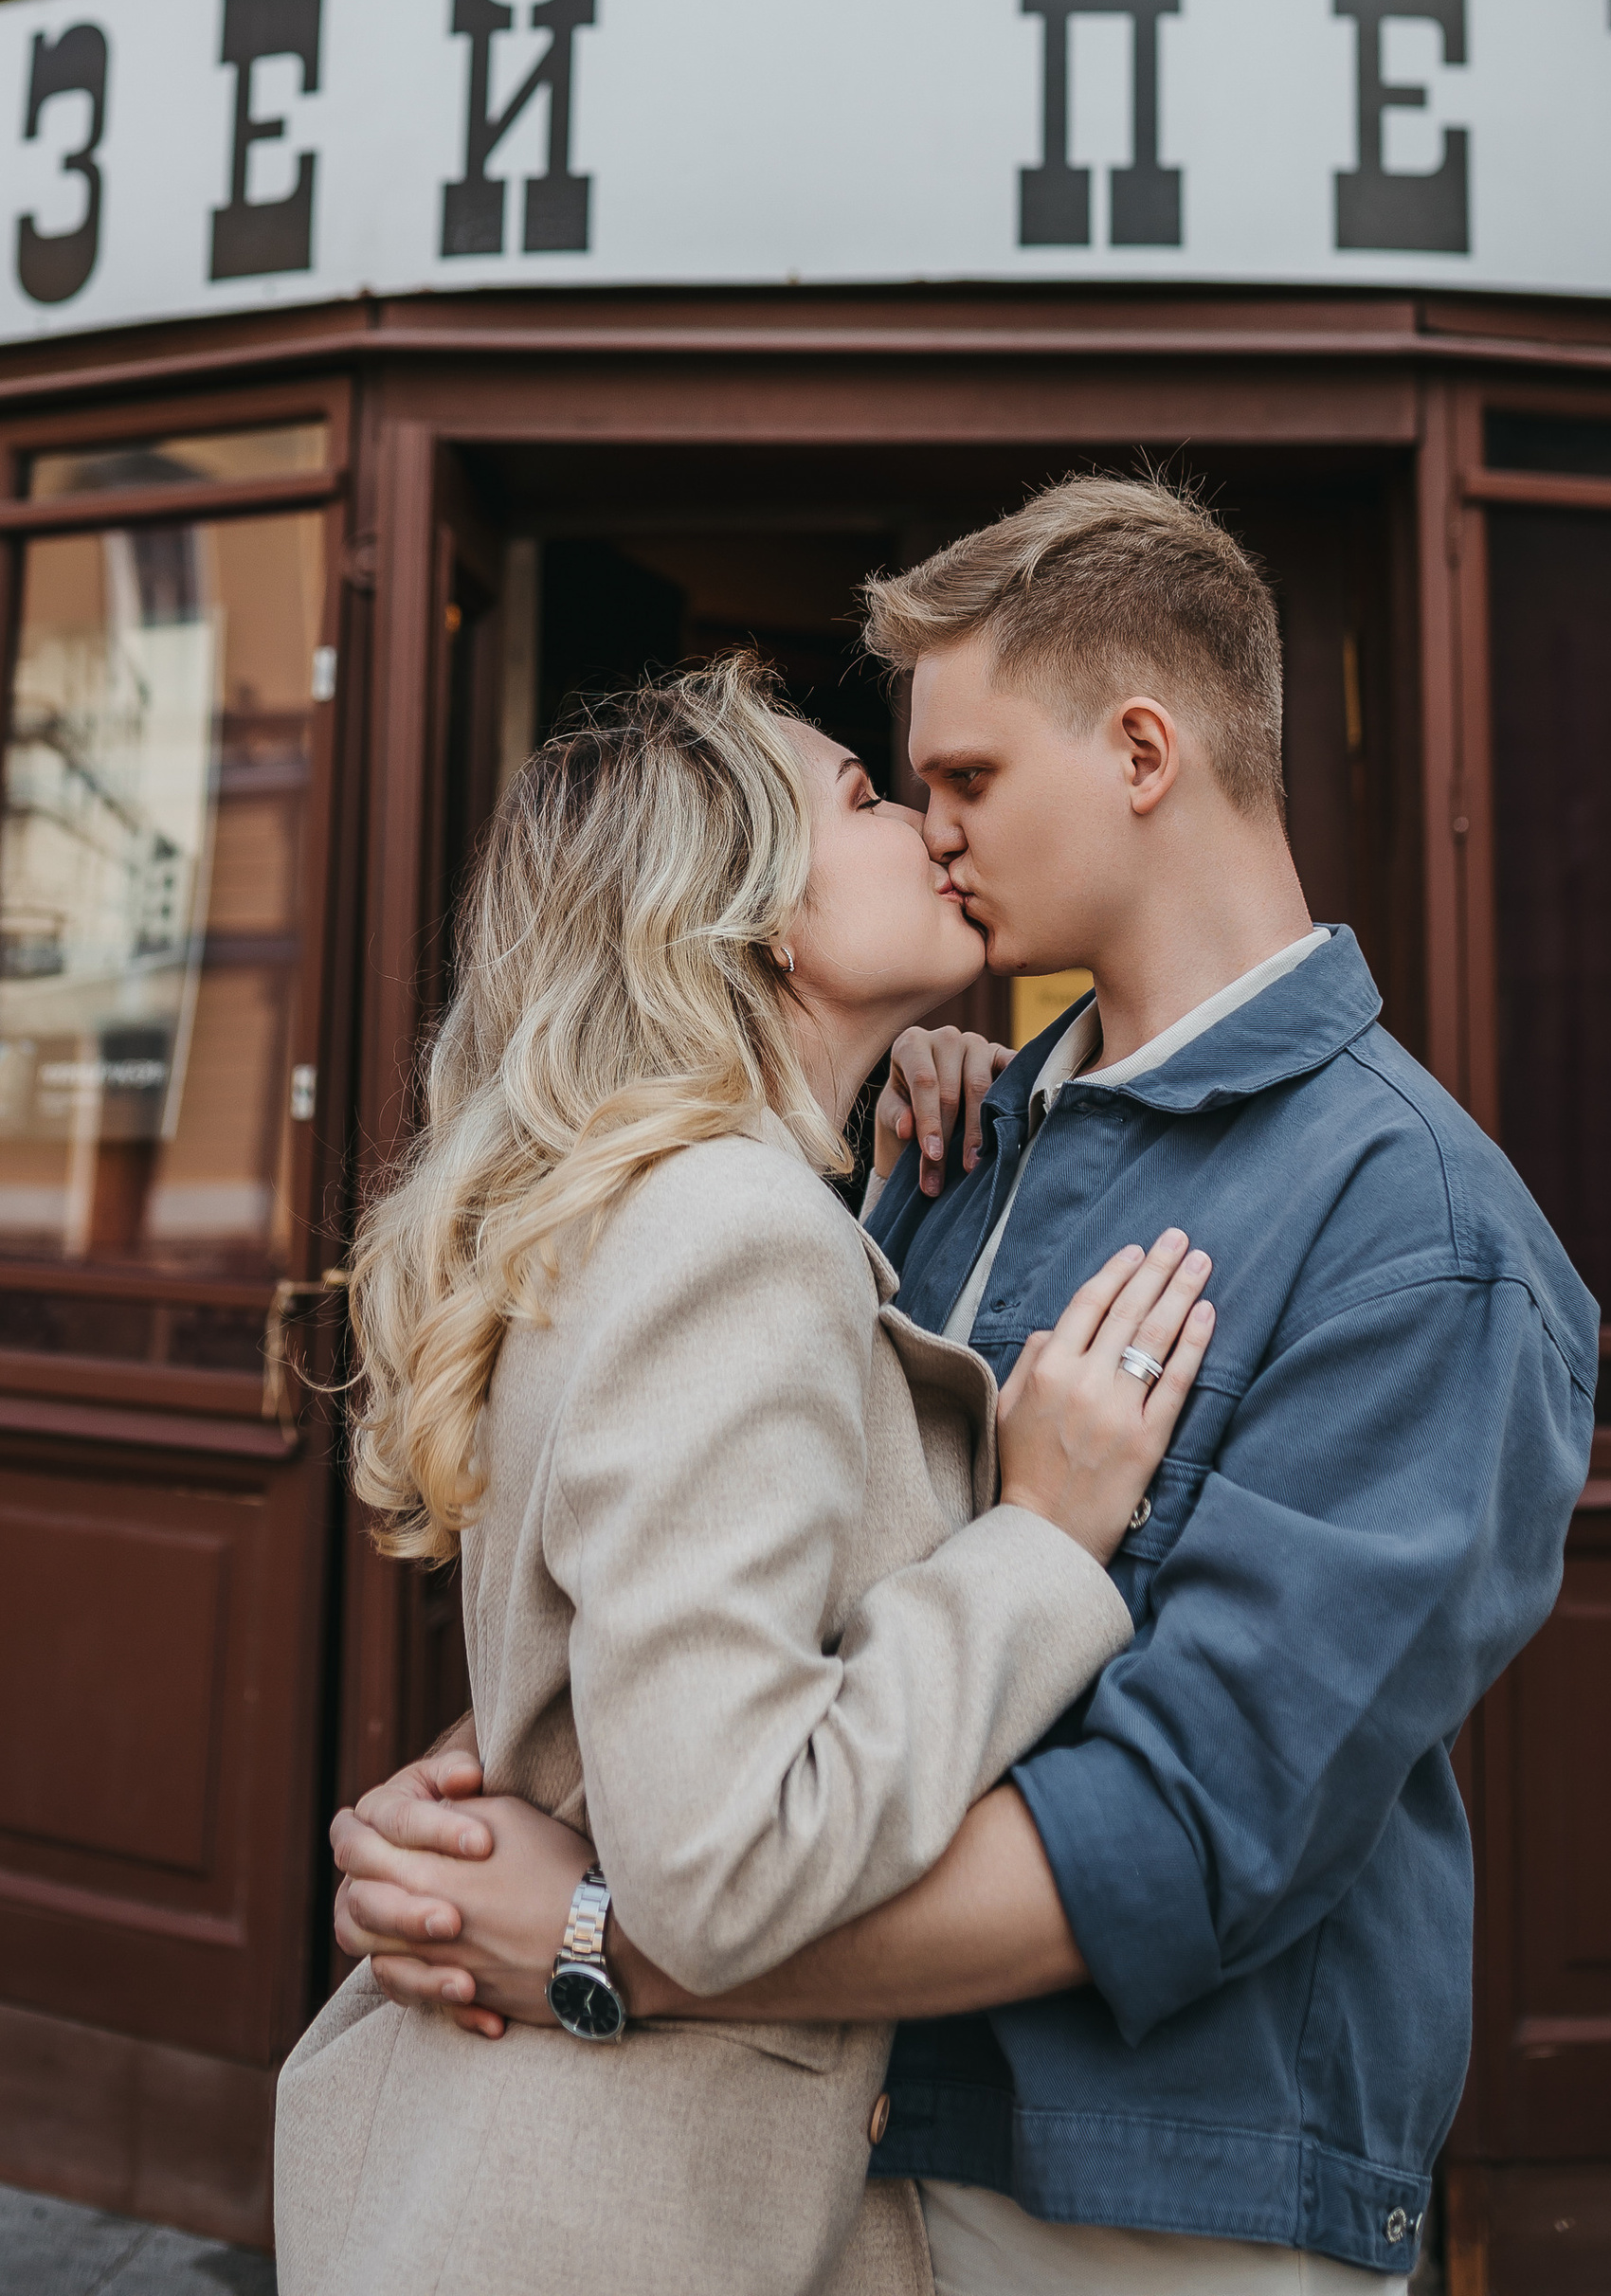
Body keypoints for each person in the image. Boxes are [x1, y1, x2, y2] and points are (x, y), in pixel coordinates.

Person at [329, 475, 1601, 2290]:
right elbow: (778, 1615)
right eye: (903, 790)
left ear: (1144, 750)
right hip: (840, 2162)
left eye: (966, 782)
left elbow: (1188, 1828)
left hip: (1160, 2208)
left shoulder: (1426, 1233)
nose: (932, 832)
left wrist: (607, 1935)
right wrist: (483, 1790)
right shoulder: (938, 1143)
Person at [275, 654, 1217, 2296]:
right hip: (625, 2203)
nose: (928, 823)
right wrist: (1044, 1542)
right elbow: (719, 1864)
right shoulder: (739, 1230)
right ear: (749, 906)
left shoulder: (660, 1208)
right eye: (862, 796)